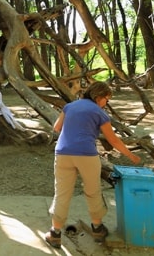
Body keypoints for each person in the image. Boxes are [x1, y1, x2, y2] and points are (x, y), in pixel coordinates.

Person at [45, 81, 140, 249]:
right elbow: (112, 139)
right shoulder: (100, 113)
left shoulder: (70, 106)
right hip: (87, 155)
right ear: (98, 97)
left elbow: (57, 128)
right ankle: (97, 229)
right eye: (106, 99)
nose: (107, 103)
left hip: (62, 154)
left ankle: (55, 233)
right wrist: (129, 154)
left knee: (61, 193)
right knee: (93, 190)